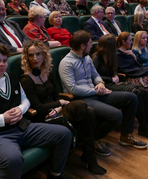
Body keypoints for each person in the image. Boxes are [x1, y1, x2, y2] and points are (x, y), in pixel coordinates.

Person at [0, 43, 71, 179]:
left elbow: (26, 101)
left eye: (4, 61)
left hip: (22, 127)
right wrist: (2, 119)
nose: (2, 64)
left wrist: (20, 109)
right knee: (12, 159)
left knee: (64, 133)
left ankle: (55, 174)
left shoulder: (11, 77)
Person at [20, 40, 106, 175]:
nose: (35, 58)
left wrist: (59, 107)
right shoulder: (26, 80)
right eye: (31, 55)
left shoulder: (47, 72)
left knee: (87, 111)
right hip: (43, 117)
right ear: (26, 57)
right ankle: (90, 159)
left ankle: (89, 158)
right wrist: (61, 104)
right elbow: (38, 107)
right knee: (84, 109)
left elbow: (56, 96)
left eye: (38, 54)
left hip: (57, 111)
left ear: (44, 55)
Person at [59, 30, 147, 154]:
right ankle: (93, 139)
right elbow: (72, 89)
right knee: (116, 115)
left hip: (97, 93)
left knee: (131, 97)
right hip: (82, 99)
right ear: (82, 46)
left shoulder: (87, 57)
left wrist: (100, 83)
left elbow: (96, 75)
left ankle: (126, 136)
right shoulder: (66, 63)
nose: (92, 47)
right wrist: (96, 91)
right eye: (90, 44)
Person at [92, 34, 148, 139]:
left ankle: (147, 124)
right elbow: (94, 76)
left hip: (114, 84)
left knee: (142, 91)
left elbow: (114, 70)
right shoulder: (96, 57)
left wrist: (115, 75)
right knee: (137, 92)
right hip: (106, 86)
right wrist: (110, 79)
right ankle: (144, 127)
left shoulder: (111, 55)